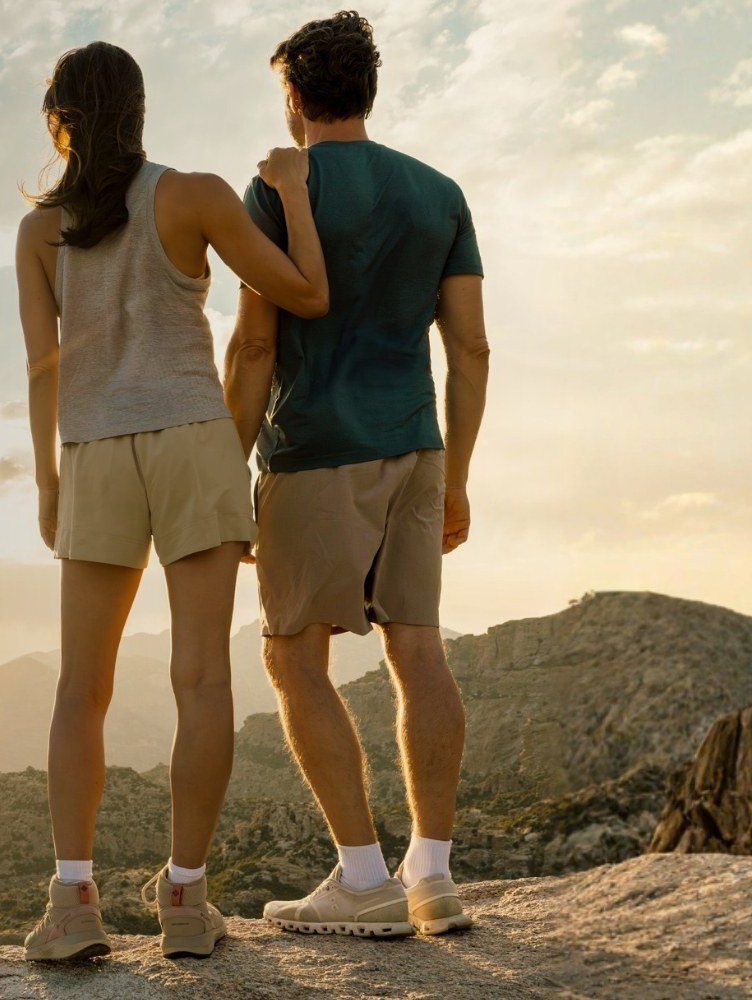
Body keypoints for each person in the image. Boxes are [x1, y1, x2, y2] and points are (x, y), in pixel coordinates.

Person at [13, 40, 330, 961]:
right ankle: (185, 904)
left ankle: (74, 906)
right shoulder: (190, 195)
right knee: (201, 681)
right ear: (141, 111)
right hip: (195, 444)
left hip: (95, 452)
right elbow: (305, 294)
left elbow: (43, 368)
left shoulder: (39, 233)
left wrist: (45, 479)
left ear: (59, 121)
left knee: (81, 688)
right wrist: (296, 193)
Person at [223, 10, 491, 939]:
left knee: (293, 655)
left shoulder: (274, 190)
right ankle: (437, 873)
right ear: (367, 92)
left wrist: (228, 468)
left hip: (314, 451)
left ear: (294, 97)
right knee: (419, 650)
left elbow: (257, 342)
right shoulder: (439, 193)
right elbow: (471, 347)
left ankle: (363, 878)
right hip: (417, 444)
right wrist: (456, 472)